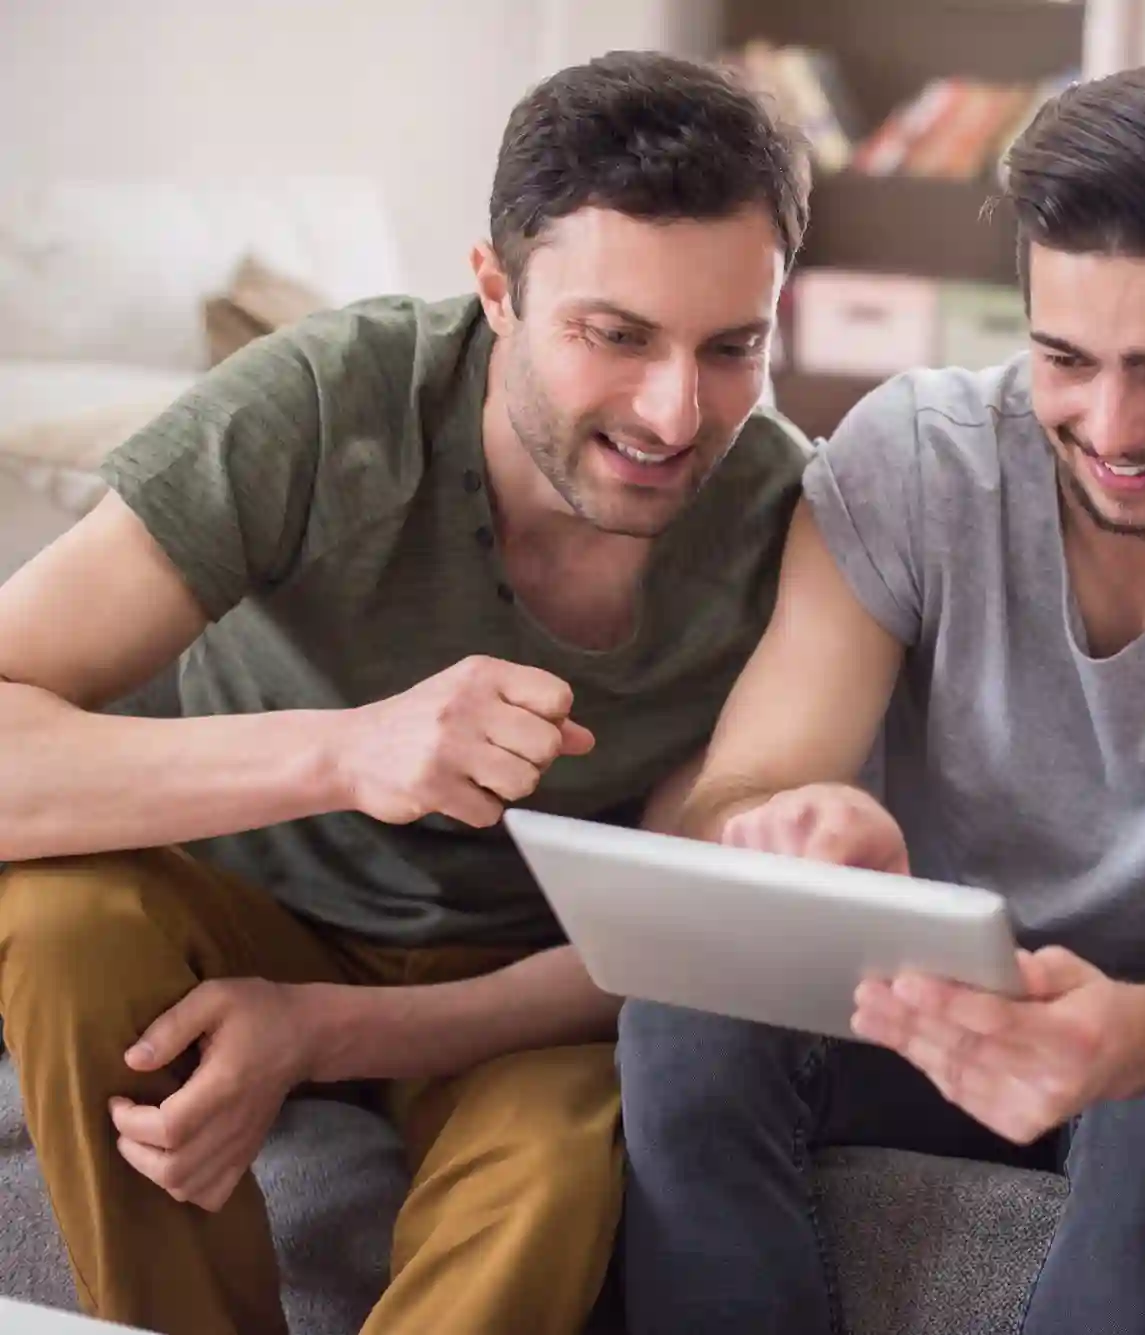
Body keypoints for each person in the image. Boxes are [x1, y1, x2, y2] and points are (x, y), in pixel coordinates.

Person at [614, 58, 1145, 1335]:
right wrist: (787, 830)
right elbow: (745, 782)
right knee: (679, 1020)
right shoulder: (912, 458)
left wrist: (1132, 1032)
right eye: (1063, 357)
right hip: (913, 1007)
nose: (1110, 426)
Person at [0, 52, 808, 1335]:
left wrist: (326, 1031)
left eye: (732, 346)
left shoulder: (791, 528)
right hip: (236, 900)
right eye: (614, 335)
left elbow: (672, 944)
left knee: (560, 1158)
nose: (674, 412)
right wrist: (342, 751)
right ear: (495, 287)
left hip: (511, 989)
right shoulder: (324, 406)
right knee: (59, 922)